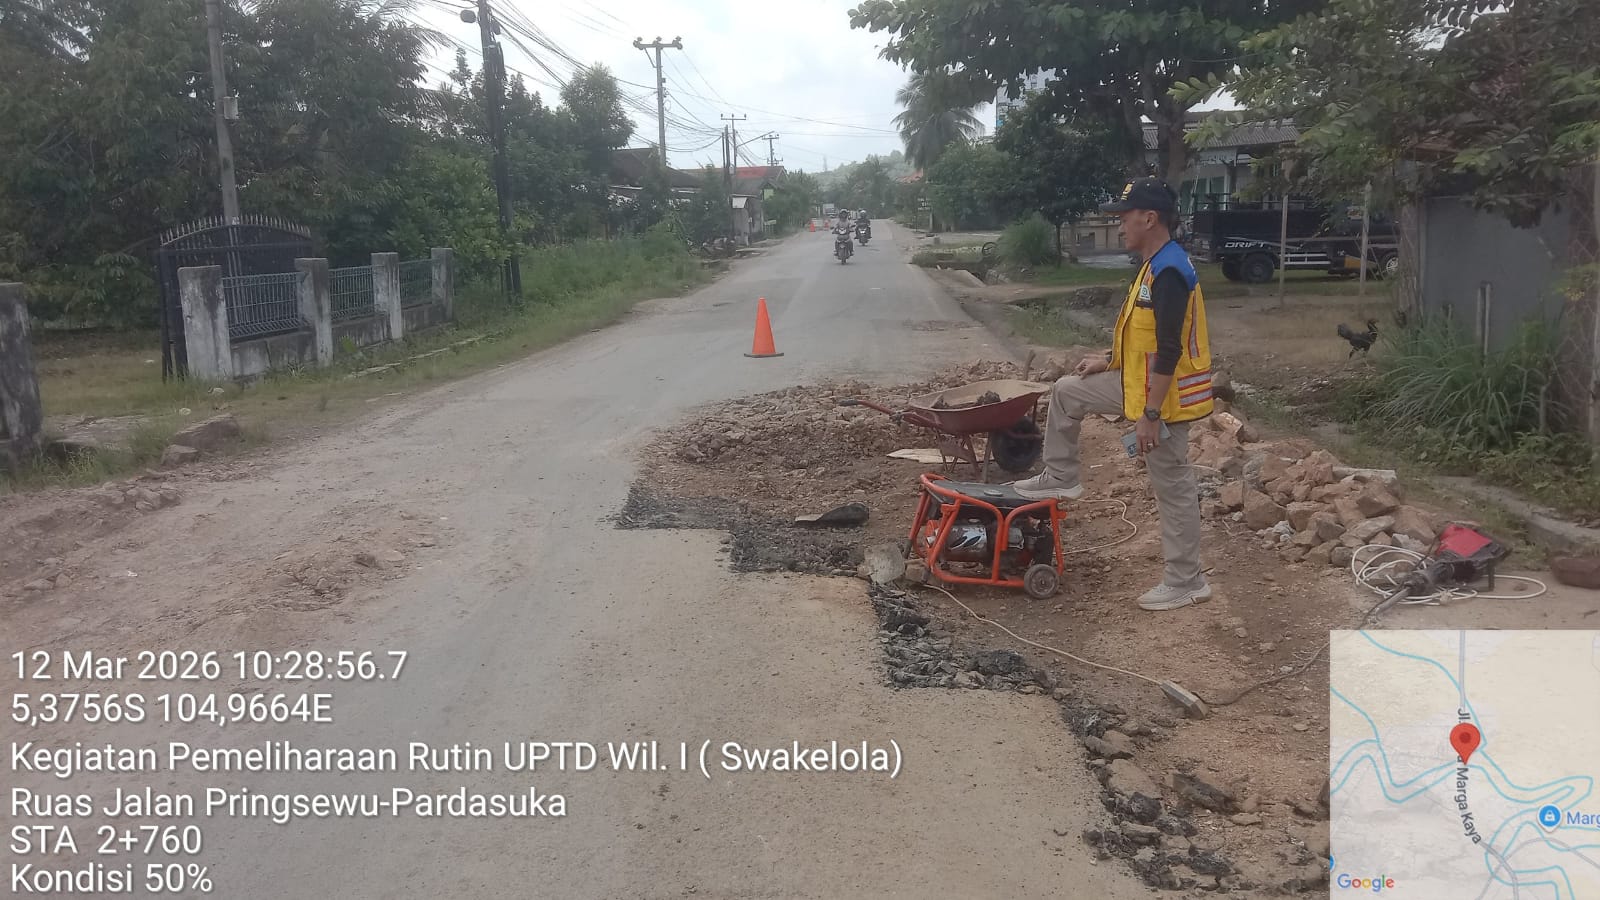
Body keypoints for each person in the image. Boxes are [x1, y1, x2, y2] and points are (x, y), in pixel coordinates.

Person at [1010, 177, 1216, 612]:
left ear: (1149, 217)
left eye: (1124, 217)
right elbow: (1142, 337)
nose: (1120, 225)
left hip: (1166, 401)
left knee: (1172, 489)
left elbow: (1170, 349)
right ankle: (1061, 476)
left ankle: (1187, 580)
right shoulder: (1153, 264)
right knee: (1067, 390)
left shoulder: (1171, 271)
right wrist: (1108, 360)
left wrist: (1152, 416)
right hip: (1135, 386)